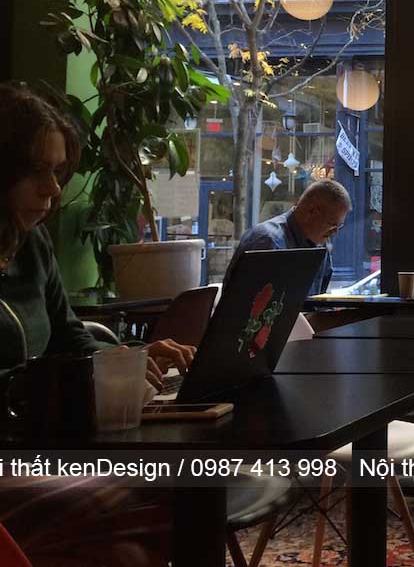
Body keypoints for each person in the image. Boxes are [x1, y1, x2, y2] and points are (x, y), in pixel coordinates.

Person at [0, 83, 195, 565]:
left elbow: (68, 336)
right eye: (36, 170)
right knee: (152, 495)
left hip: (37, 444)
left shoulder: (31, 245)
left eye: (57, 171)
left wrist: (127, 359)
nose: (53, 189)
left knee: (134, 541)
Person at [228, 179, 350, 297]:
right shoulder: (267, 241)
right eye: (332, 224)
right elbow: (252, 304)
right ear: (312, 211)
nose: (335, 231)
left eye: (339, 226)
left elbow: (317, 301)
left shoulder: (320, 244)